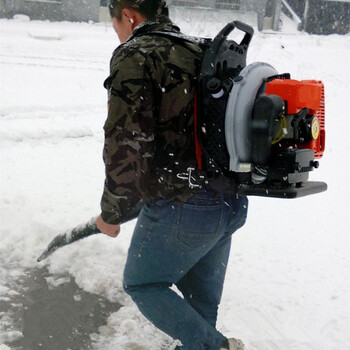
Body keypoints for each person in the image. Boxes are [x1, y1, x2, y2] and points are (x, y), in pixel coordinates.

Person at [95, 1, 248, 349]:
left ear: (130, 15)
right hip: (229, 200)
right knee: (200, 306)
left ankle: (219, 347)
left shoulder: (137, 54)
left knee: (143, 284)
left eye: (115, 23)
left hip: (183, 205)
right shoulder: (204, 50)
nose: (117, 33)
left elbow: (125, 144)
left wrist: (112, 213)